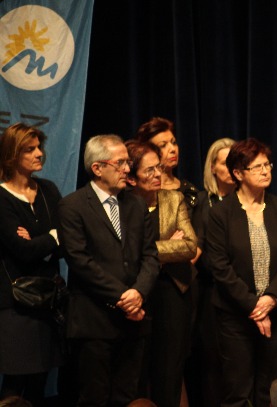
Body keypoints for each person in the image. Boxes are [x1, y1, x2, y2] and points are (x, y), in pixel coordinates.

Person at [57, 134, 159, 406]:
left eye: (128, 163)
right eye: (120, 163)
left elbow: (150, 256)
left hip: (134, 321)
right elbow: (79, 260)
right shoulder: (73, 206)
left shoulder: (136, 204)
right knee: (95, 397)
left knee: (127, 397)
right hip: (94, 321)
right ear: (98, 168)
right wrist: (123, 296)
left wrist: (139, 293)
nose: (127, 169)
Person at [207, 138, 277, 407]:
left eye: (267, 165)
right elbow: (220, 267)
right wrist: (254, 306)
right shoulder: (221, 213)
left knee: (271, 392)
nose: (265, 171)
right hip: (234, 316)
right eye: (257, 167)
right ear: (238, 173)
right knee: (238, 392)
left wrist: (271, 299)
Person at [125, 140, 197, 407]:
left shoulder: (173, 198)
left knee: (169, 372)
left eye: (159, 167)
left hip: (172, 293)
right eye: (149, 170)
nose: (158, 175)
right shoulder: (123, 205)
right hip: (136, 294)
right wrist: (167, 248)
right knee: (136, 371)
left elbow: (189, 246)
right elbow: (125, 253)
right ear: (131, 178)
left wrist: (149, 253)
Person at [0, 124, 63, 405]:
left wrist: (42, 241)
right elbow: (21, 251)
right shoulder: (2, 198)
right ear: (12, 155)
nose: (39, 154)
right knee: (15, 380)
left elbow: (68, 238)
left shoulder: (48, 190)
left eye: (39, 147)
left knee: (40, 380)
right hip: (15, 303)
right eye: (30, 149)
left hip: (47, 301)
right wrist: (52, 237)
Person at [186, 137, 235, 407]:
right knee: (212, 365)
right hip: (210, 293)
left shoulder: (251, 201)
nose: (231, 168)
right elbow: (195, 249)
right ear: (213, 168)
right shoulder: (202, 203)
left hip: (243, 293)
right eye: (225, 163)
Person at [136, 117, 199, 209]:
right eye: (163, 145)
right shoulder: (142, 192)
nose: (173, 149)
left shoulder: (188, 191)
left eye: (174, 143)